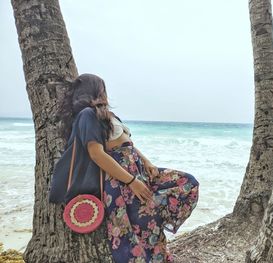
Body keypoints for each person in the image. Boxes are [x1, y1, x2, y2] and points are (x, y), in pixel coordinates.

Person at [49, 73, 200, 262]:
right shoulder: (87, 115)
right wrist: (131, 181)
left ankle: (161, 225)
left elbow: (128, 143)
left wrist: (146, 161)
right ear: (94, 91)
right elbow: (96, 154)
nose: (105, 93)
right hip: (121, 179)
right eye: (102, 89)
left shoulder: (107, 115)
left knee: (187, 183)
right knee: (140, 230)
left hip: (138, 170)